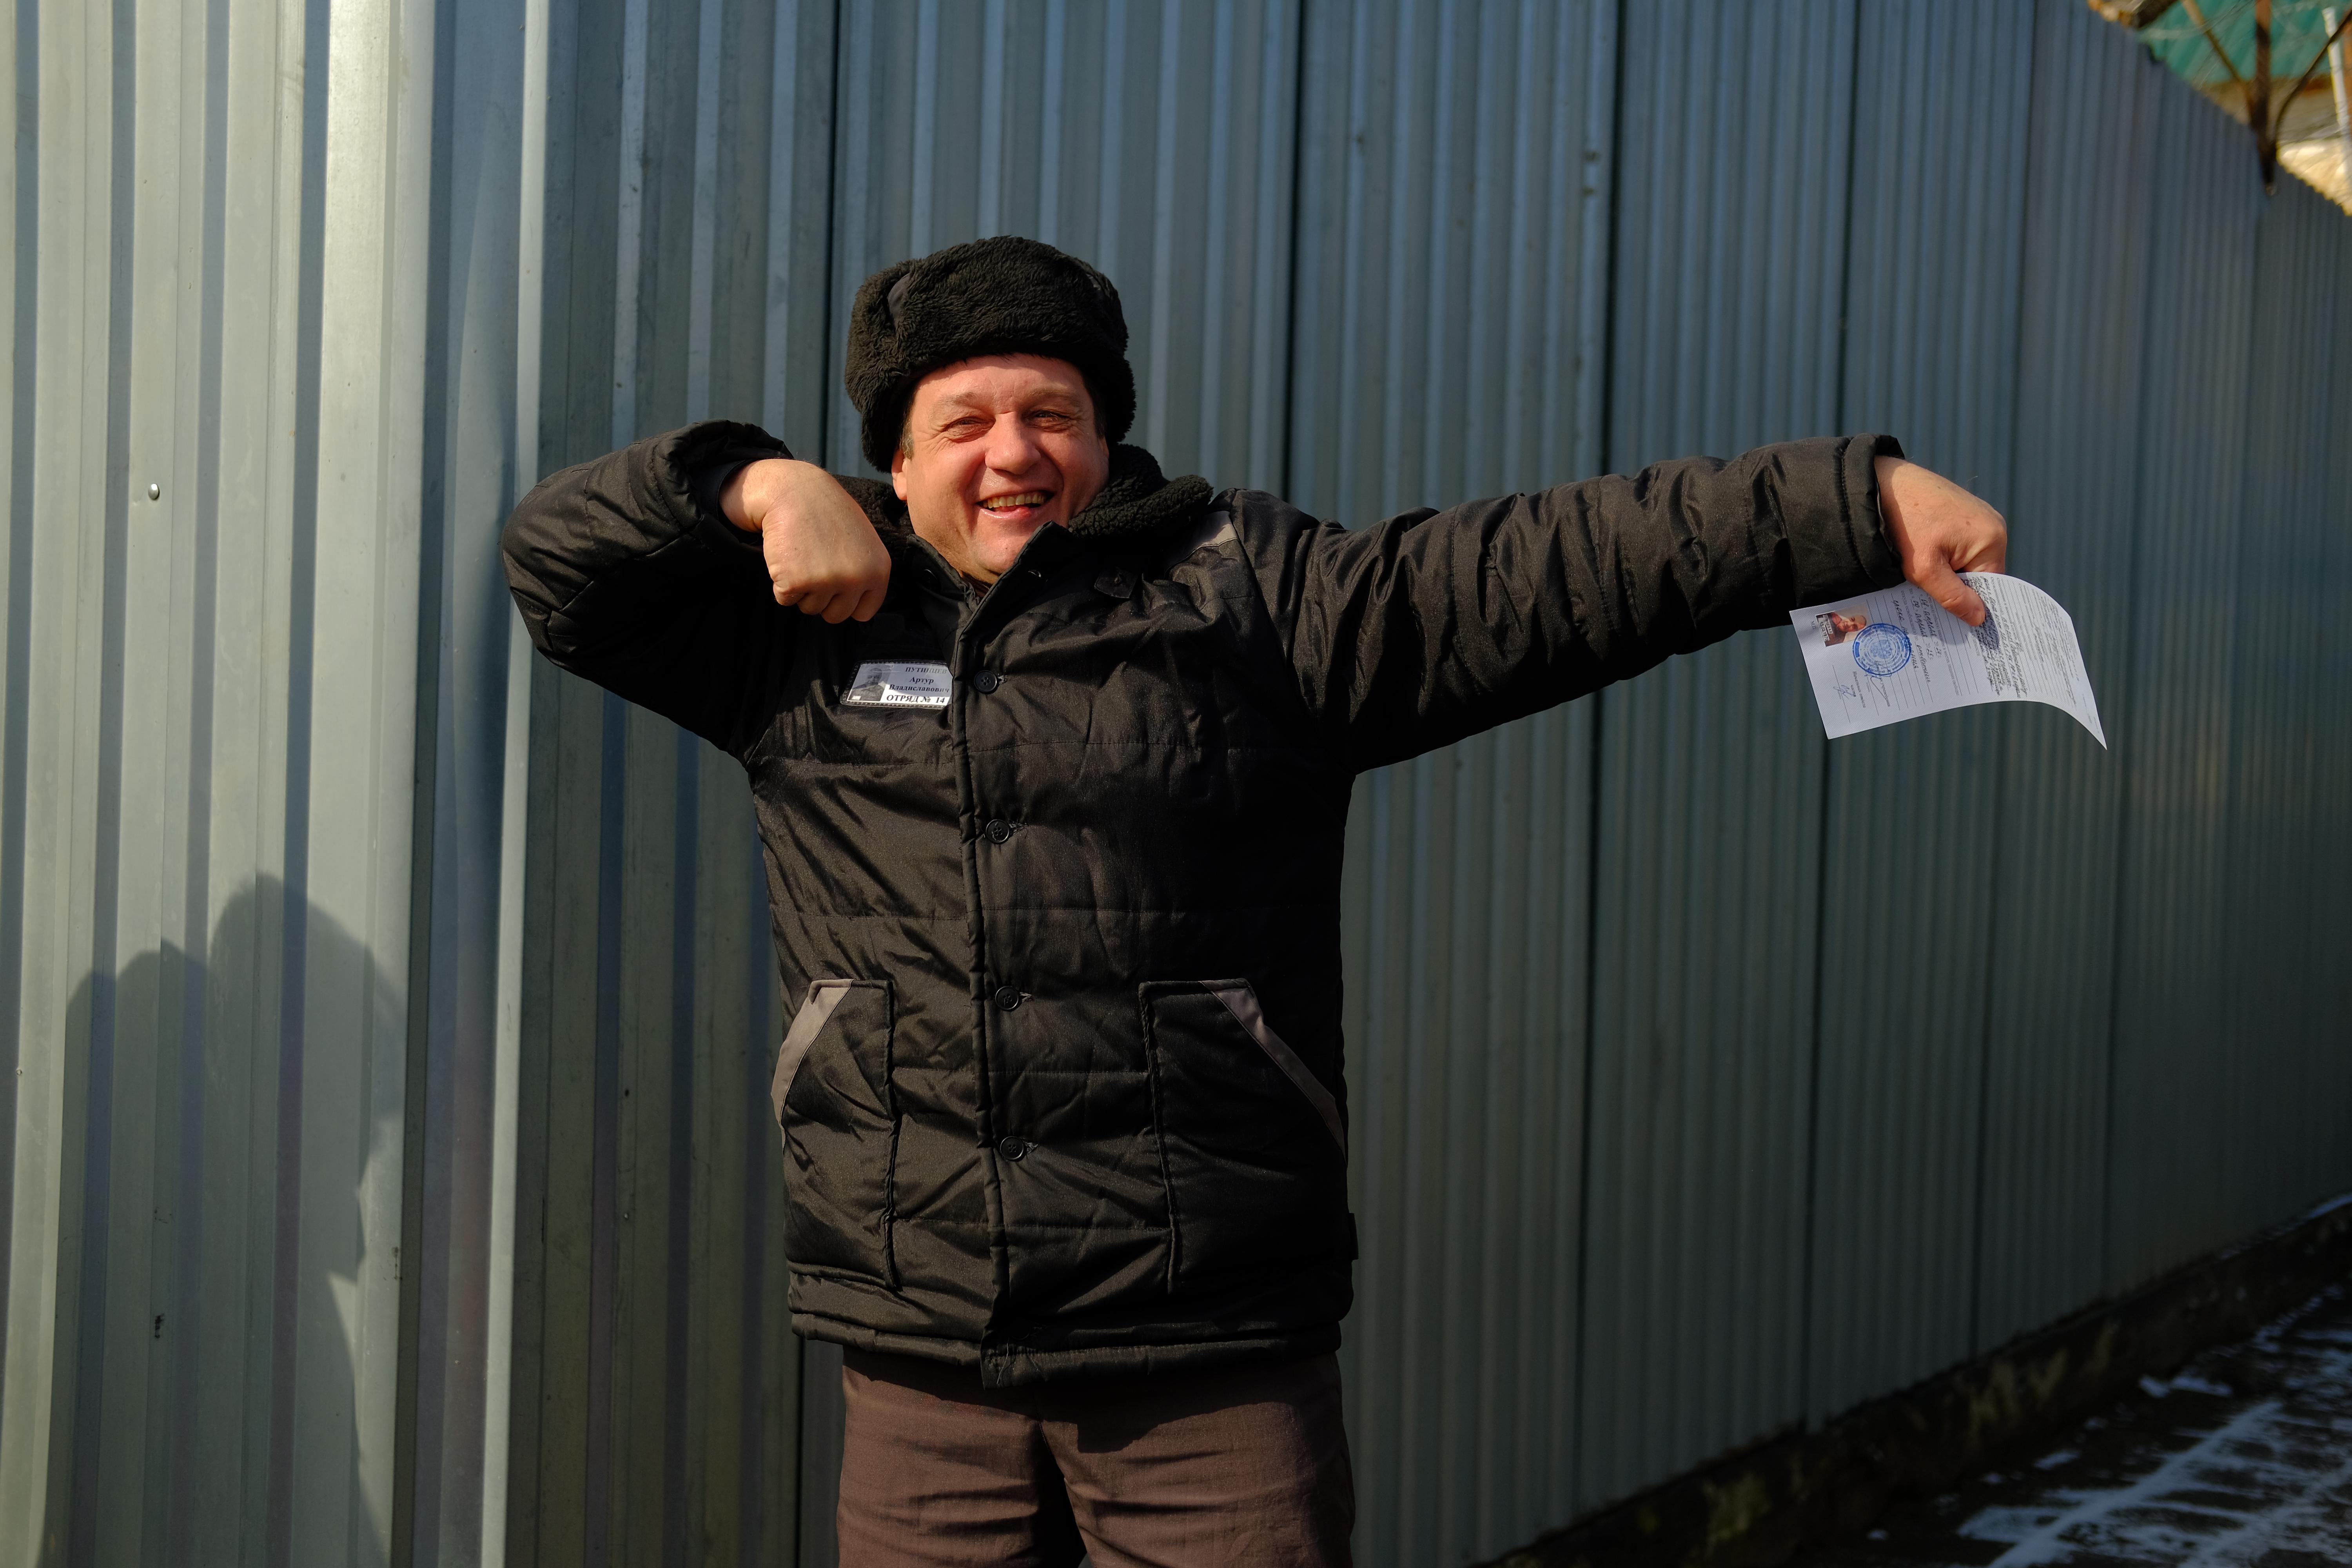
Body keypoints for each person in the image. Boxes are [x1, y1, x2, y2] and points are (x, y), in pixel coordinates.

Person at [501, 236, 2005, 1566]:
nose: (1014, 453)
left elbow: (1559, 570)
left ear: (1108, 440)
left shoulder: (1257, 601)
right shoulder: (799, 640)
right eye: (964, 421)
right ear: (893, 464)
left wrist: (1851, 502)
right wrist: (752, 482)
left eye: (1053, 414)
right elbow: (557, 567)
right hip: (926, 1363)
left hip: (1207, 1358)